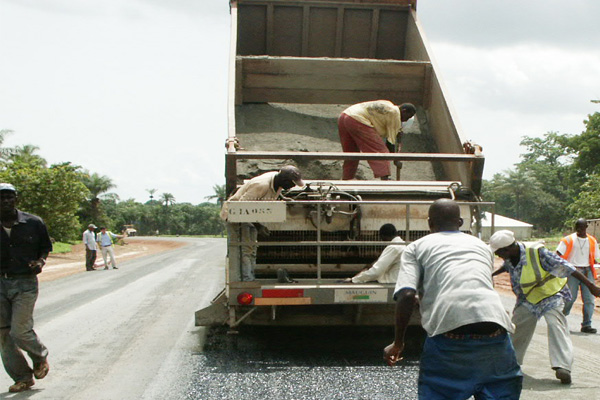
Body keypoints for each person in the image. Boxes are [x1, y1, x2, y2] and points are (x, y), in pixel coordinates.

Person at [384, 199, 521, 400]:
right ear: (460, 222)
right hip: (495, 332)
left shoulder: (416, 247)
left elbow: (406, 295)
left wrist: (397, 344)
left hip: (449, 337)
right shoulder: (481, 247)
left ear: (430, 223)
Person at [490, 229, 600, 384]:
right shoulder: (510, 257)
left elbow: (568, 267)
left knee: (556, 325)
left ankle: (563, 367)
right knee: (517, 328)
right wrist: (491, 274)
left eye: (499, 252)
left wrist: (591, 286)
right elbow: (506, 267)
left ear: (507, 249)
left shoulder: (537, 252)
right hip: (528, 298)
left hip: (550, 294)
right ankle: (510, 362)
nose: (498, 255)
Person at [0, 183, 52, 393]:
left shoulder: (33, 222)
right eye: (1, 197)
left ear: (16, 199)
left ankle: (40, 356)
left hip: (25, 283)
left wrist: (40, 262)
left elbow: (45, 248)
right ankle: (22, 377)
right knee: (3, 334)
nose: (5, 201)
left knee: (19, 331)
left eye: (9, 197)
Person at [220, 165, 305, 281]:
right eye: (292, 183)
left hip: (250, 215)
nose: (293, 186)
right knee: (243, 249)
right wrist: (259, 226)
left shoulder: (277, 180)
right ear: (284, 180)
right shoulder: (261, 185)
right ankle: (245, 279)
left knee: (251, 248)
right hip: (234, 216)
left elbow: (271, 192)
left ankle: (249, 276)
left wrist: (282, 199)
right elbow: (242, 208)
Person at [338, 100, 416, 180]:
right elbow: (390, 143)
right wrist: (396, 160)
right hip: (357, 120)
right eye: (407, 117)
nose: (405, 120)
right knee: (381, 151)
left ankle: (346, 180)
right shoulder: (395, 113)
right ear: (404, 111)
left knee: (352, 154)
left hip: (344, 116)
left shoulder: (388, 106)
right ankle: (384, 180)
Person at [557, 218, 600, 334]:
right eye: (578, 227)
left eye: (582, 227)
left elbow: (595, 258)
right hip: (572, 271)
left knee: (589, 299)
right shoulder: (568, 240)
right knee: (570, 298)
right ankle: (560, 320)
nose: (580, 230)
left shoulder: (592, 241)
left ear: (586, 227)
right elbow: (557, 254)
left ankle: (587, 325)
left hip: (587, 271)